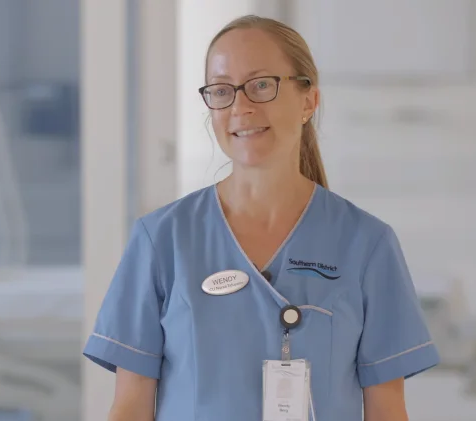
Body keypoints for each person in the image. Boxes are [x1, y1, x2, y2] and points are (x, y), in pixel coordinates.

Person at [82, 14, 440, 421]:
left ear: (309, 101)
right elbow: (129, 407)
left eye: (261, 85)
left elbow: (387, 411)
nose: (241, 106)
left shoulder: (367, 243)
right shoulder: (161, 239)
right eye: (222, 90)